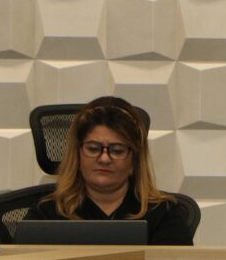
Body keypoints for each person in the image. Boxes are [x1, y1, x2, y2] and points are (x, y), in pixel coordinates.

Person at [24, 96, 194, 245]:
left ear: (134, 159)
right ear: (77, 155)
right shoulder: (45, 213)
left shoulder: (165, 214)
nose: (104, 159)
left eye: (117, 150)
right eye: (93, 148)